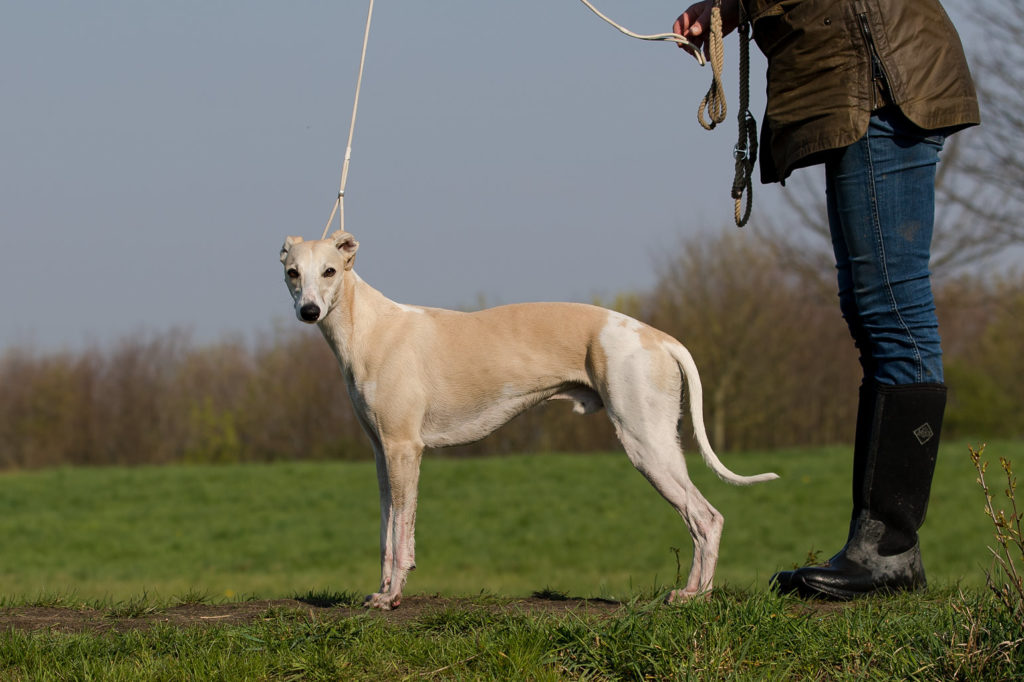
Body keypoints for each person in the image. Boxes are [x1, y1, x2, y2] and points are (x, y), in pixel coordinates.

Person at [673, 0, 980, 599]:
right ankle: (883, 549)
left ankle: (888, 552)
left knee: (893, 312)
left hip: (879, 82)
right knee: (877, 315)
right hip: (870, 82)